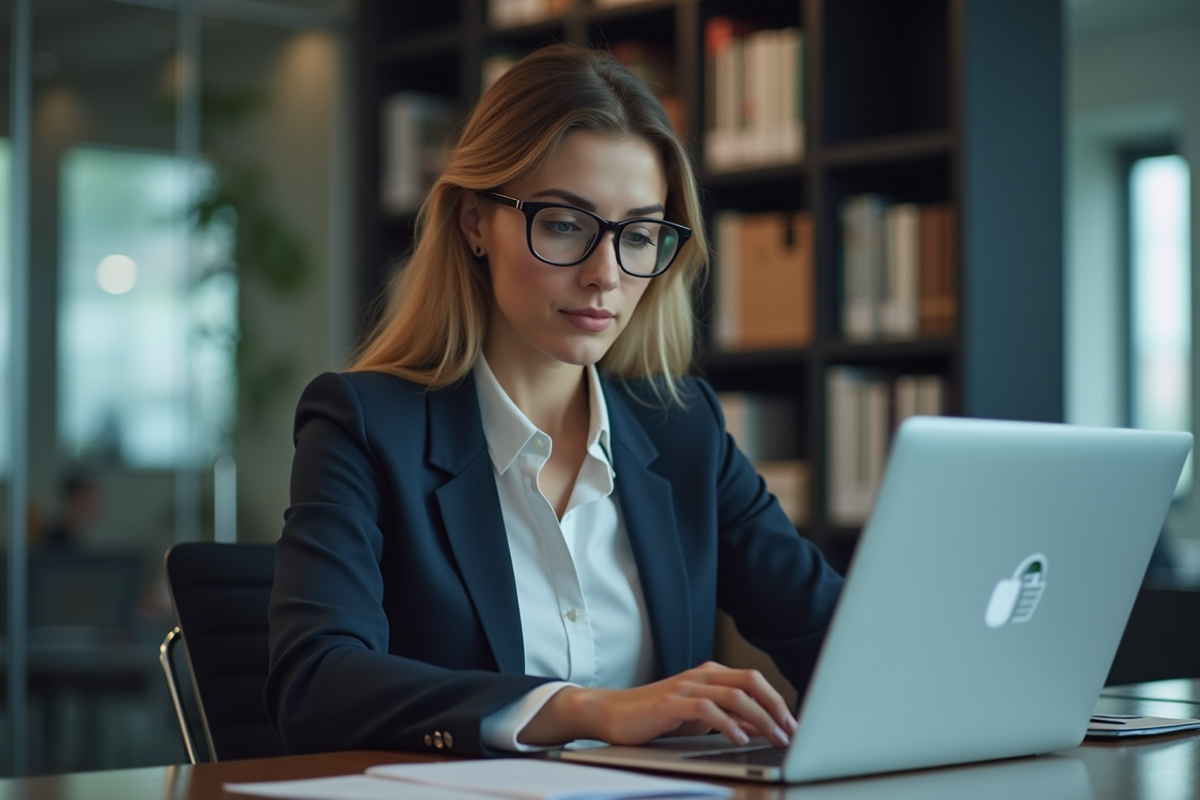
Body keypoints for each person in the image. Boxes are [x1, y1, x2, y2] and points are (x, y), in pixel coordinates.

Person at [265, 43, 843, 757]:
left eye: (638, 234)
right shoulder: (363, 425)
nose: (606, 276)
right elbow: (316, 685)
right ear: (476, 221)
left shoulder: (683, 426)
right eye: (566, 224)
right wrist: (587, 710)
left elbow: (833, 633)